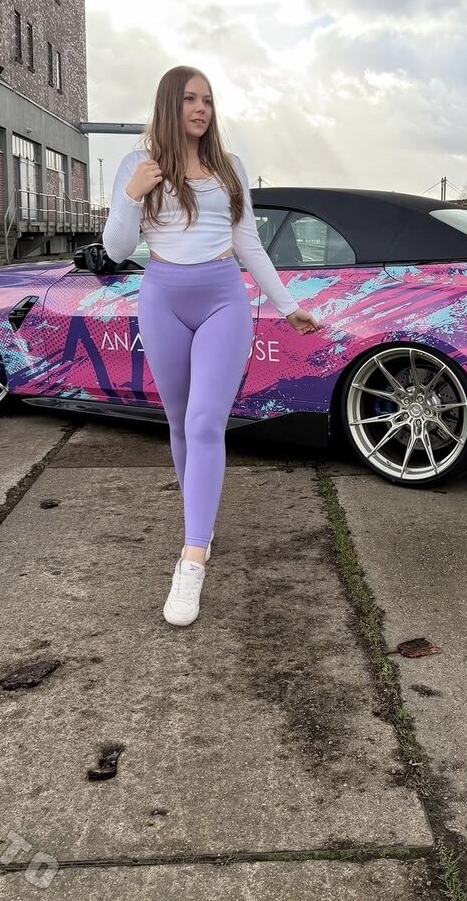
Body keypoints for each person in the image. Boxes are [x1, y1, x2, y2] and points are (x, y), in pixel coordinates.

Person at [102, 66, 321, 627]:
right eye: (189, 99)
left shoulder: (229, 168)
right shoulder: (138, 165)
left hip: (223, 298)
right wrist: (130, 195)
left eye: (207, 100)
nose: (201, 108)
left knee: (205, 422)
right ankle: (198, 523)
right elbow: (118, 248)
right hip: (162, 299)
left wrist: (286, 305)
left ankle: (192, 558)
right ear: (168, 105)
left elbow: (249, 245)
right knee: (179, 421)